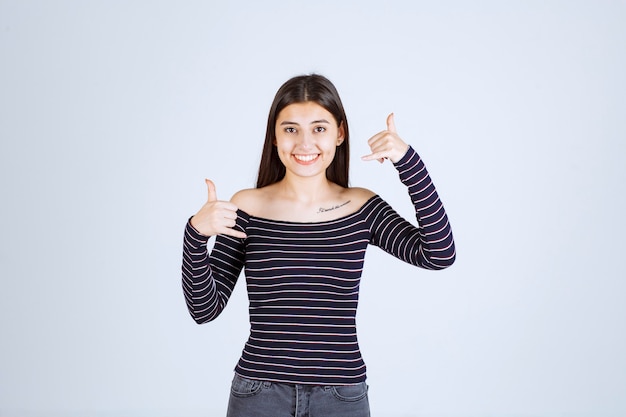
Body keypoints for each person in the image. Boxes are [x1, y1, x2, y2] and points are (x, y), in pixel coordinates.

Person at [181, 74, 456, 417]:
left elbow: (439, 253)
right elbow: (204, 310)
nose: (305, 143)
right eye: (291, 129)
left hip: (340, 396)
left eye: (319, 128)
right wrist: (195, 234)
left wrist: (409, 163)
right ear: (275, 137)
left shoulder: (361, 207)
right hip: (260, 395)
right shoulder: (247, 207)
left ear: (339, 133)